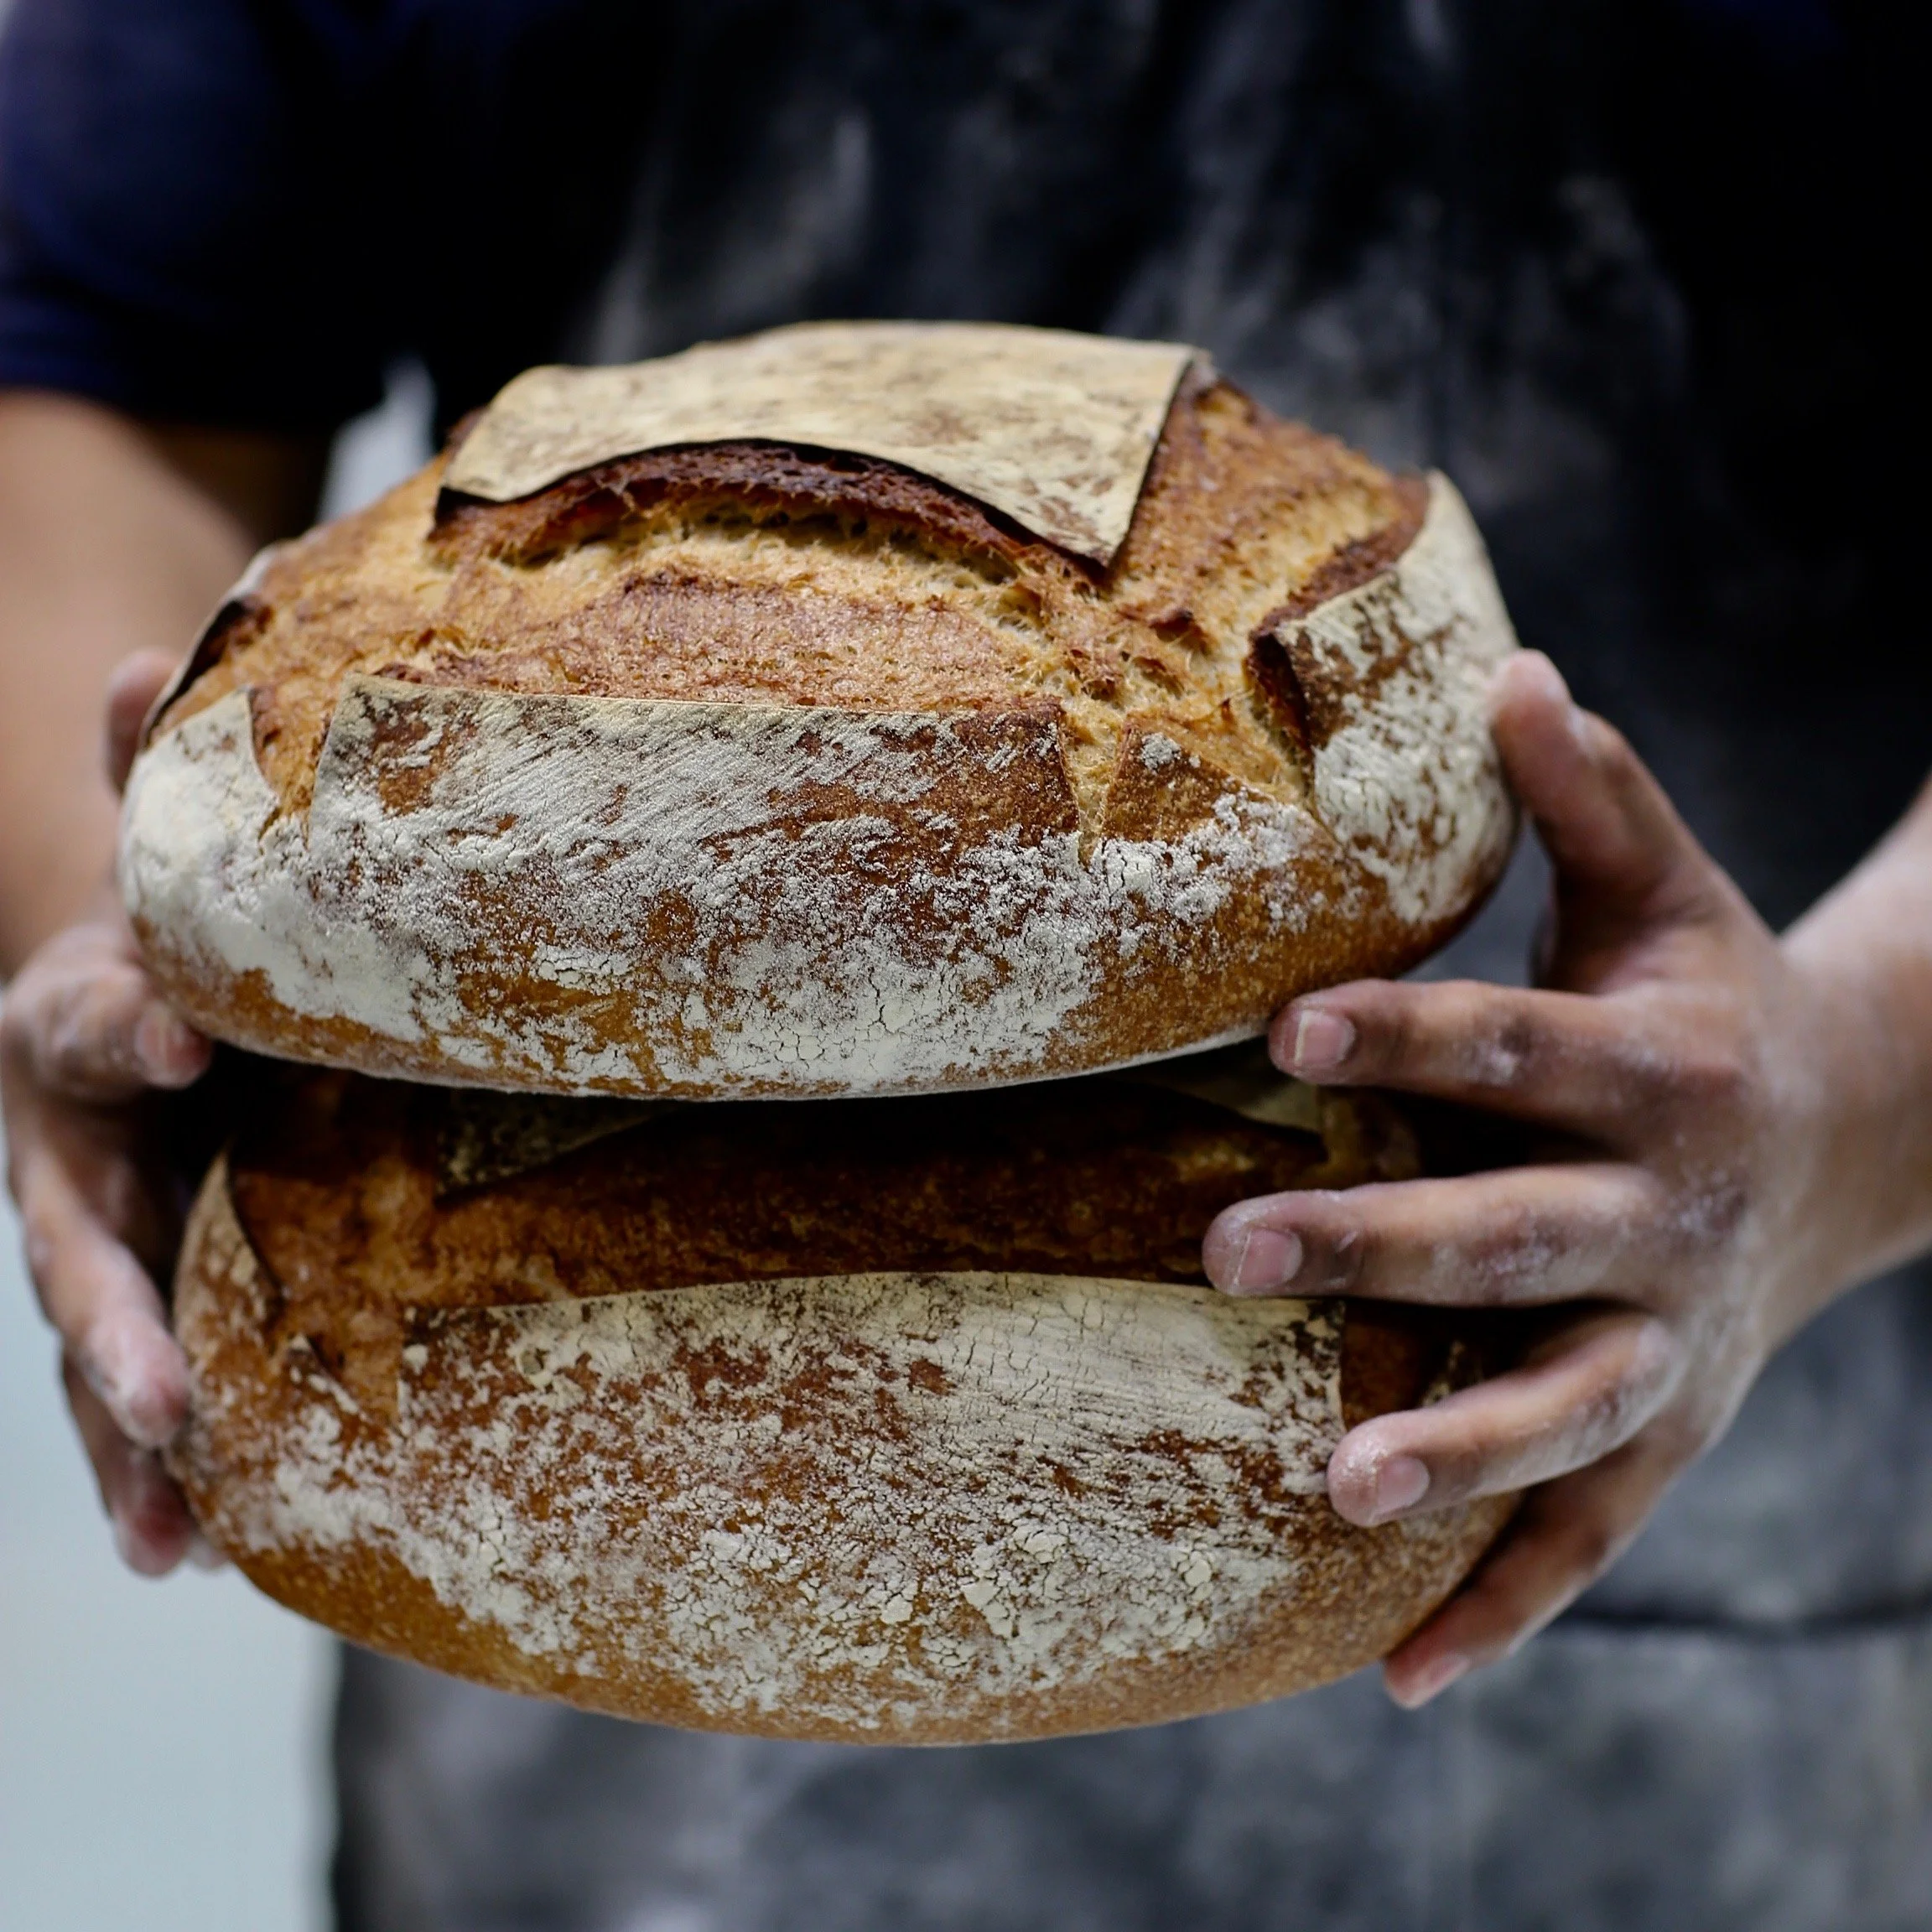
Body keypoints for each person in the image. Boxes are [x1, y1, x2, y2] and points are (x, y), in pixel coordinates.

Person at [3, 3, 1929, 1925]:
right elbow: (101, 352)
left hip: (1718, 1516)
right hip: (579, 1701)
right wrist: (122, 917)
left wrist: (1849, 1088)